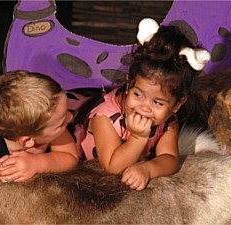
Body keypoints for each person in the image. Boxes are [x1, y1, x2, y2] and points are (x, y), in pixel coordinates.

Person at [74, 18, 211, 191]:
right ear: (129, 83)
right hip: (74, 139)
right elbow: (112, 166)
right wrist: (138, 138)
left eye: (157, 102)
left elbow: (169, 158)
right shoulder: (106, 117)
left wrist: (148, 169)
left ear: (177, 105)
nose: (144, 107)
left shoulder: (168, 120)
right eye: (138, 94)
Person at [0, 70, 79, 182]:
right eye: (61, 122)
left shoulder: (47, 126)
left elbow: (70, 157)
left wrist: (37, 163)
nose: (71, 117)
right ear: (27, 141)